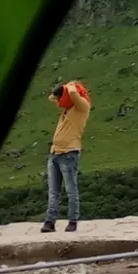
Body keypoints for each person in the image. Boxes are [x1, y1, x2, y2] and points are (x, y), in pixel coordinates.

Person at [41, 80, 91, 233]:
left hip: (69, 153)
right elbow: (52, 97)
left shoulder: (82, 107)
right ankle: (50, 222)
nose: (58, 103)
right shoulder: (67, 110)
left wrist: (70, 86)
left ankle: (72, 221)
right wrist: (60, 90)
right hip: (55, 153)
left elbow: (73, 94)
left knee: (71, 189)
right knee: (53, 191)